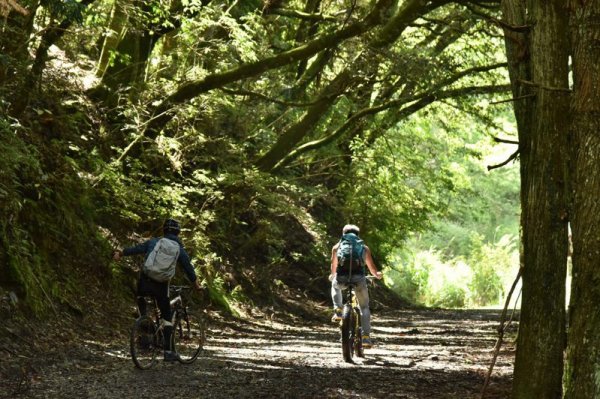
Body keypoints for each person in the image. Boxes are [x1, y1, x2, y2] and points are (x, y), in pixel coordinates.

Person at [113, 218, 201, 362]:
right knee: (167, 316)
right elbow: (188, 268)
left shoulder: (154, 242)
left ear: (164, 230)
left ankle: (143, 319)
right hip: (161, 285)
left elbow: (137, 249)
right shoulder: (179, 249)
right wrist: (196, 284)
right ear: (178, 233)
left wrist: (121, 253)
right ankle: (168, 352)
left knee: (140, 295)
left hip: (145, 281)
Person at [330, 224, 382, 348]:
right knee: (364, 307)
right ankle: (365, 338)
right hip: (359, 279)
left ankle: (338, 310)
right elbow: (372, 268)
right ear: (357, 235)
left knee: (335, 285)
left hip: (342, 278)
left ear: (343, 234)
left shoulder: (337, 247)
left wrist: (332, 275)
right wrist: (377, 275)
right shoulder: (364, 248)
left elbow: (334, 266)